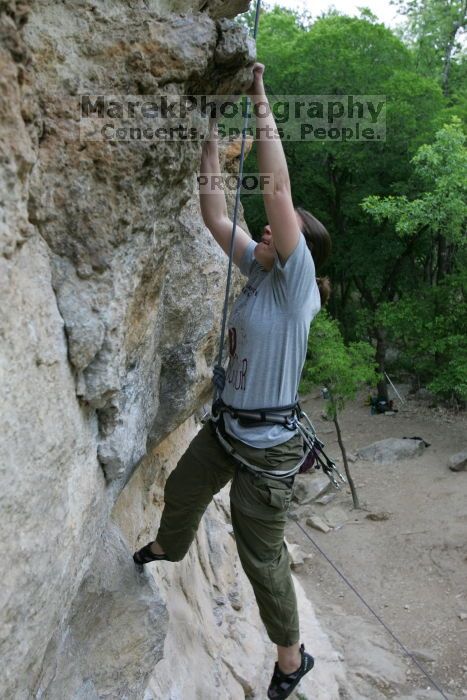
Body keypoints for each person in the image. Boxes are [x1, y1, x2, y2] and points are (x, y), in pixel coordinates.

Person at [133, 63, 332, 700]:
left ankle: (291, 659)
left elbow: (276, 188)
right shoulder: (256, 265)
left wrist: (259, 97)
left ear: (302, 252)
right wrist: (212, 134)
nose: (273, 226)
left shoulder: (295, 288)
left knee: (260, 556)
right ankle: (168, 547)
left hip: (269, 450)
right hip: (229, 429)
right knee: (183, 491)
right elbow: (215, 211)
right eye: (277, 225)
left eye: (287, 226)